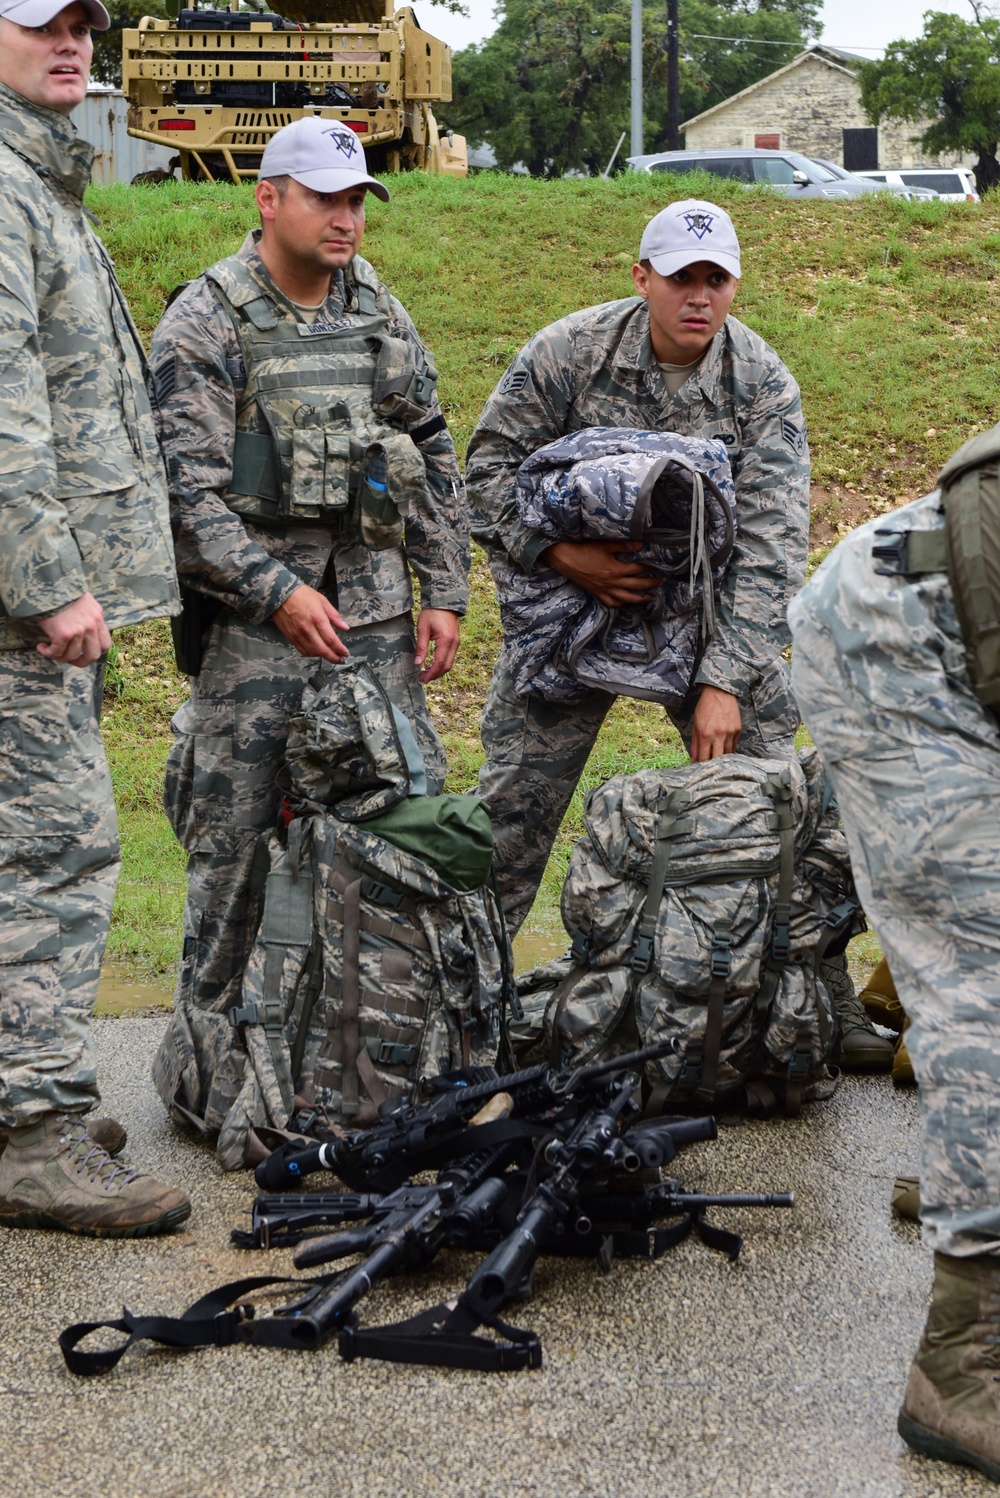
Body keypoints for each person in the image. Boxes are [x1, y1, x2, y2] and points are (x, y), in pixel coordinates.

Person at [466, 197, 890, 1070]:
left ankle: (812, 991)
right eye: (682, 278)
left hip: (704, 617)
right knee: (510, 809)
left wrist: (726, 679)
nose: (700, 296)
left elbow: (772, 548)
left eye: (717, 279)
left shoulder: (762, 382)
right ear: (642, 278)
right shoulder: (568, 352)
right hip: (576, 609)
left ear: (733, 284)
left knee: (786, 796)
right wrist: (565, 555)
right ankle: (467, 1002)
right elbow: (482, 474)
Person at [148, 117, 469, 1135]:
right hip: (256, 638)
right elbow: (185, 497)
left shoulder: (377, 308)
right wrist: (273, 588)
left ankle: (380, 1072)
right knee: (234, 858)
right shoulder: (207, 322)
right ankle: (212, 1083)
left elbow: (427, 444)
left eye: (356, 198)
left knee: (398, 835)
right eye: (324, 196)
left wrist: (445, 586)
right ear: (267, 198)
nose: (345, 216)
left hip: (375, 626)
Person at [0, 0, 190, 1234]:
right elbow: (4, 406)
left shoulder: (42, 180)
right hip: (23, 612)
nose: (71, 46)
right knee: (52, 853)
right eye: (38, 28)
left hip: (38, 602)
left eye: (84, 27)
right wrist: (46, 582)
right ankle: (33, 1133)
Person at [789, 462, 1000, 1482]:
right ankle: (958, 1369)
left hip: (961, 614)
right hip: (900, 639)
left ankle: (973, 1173)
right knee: (988, 983)